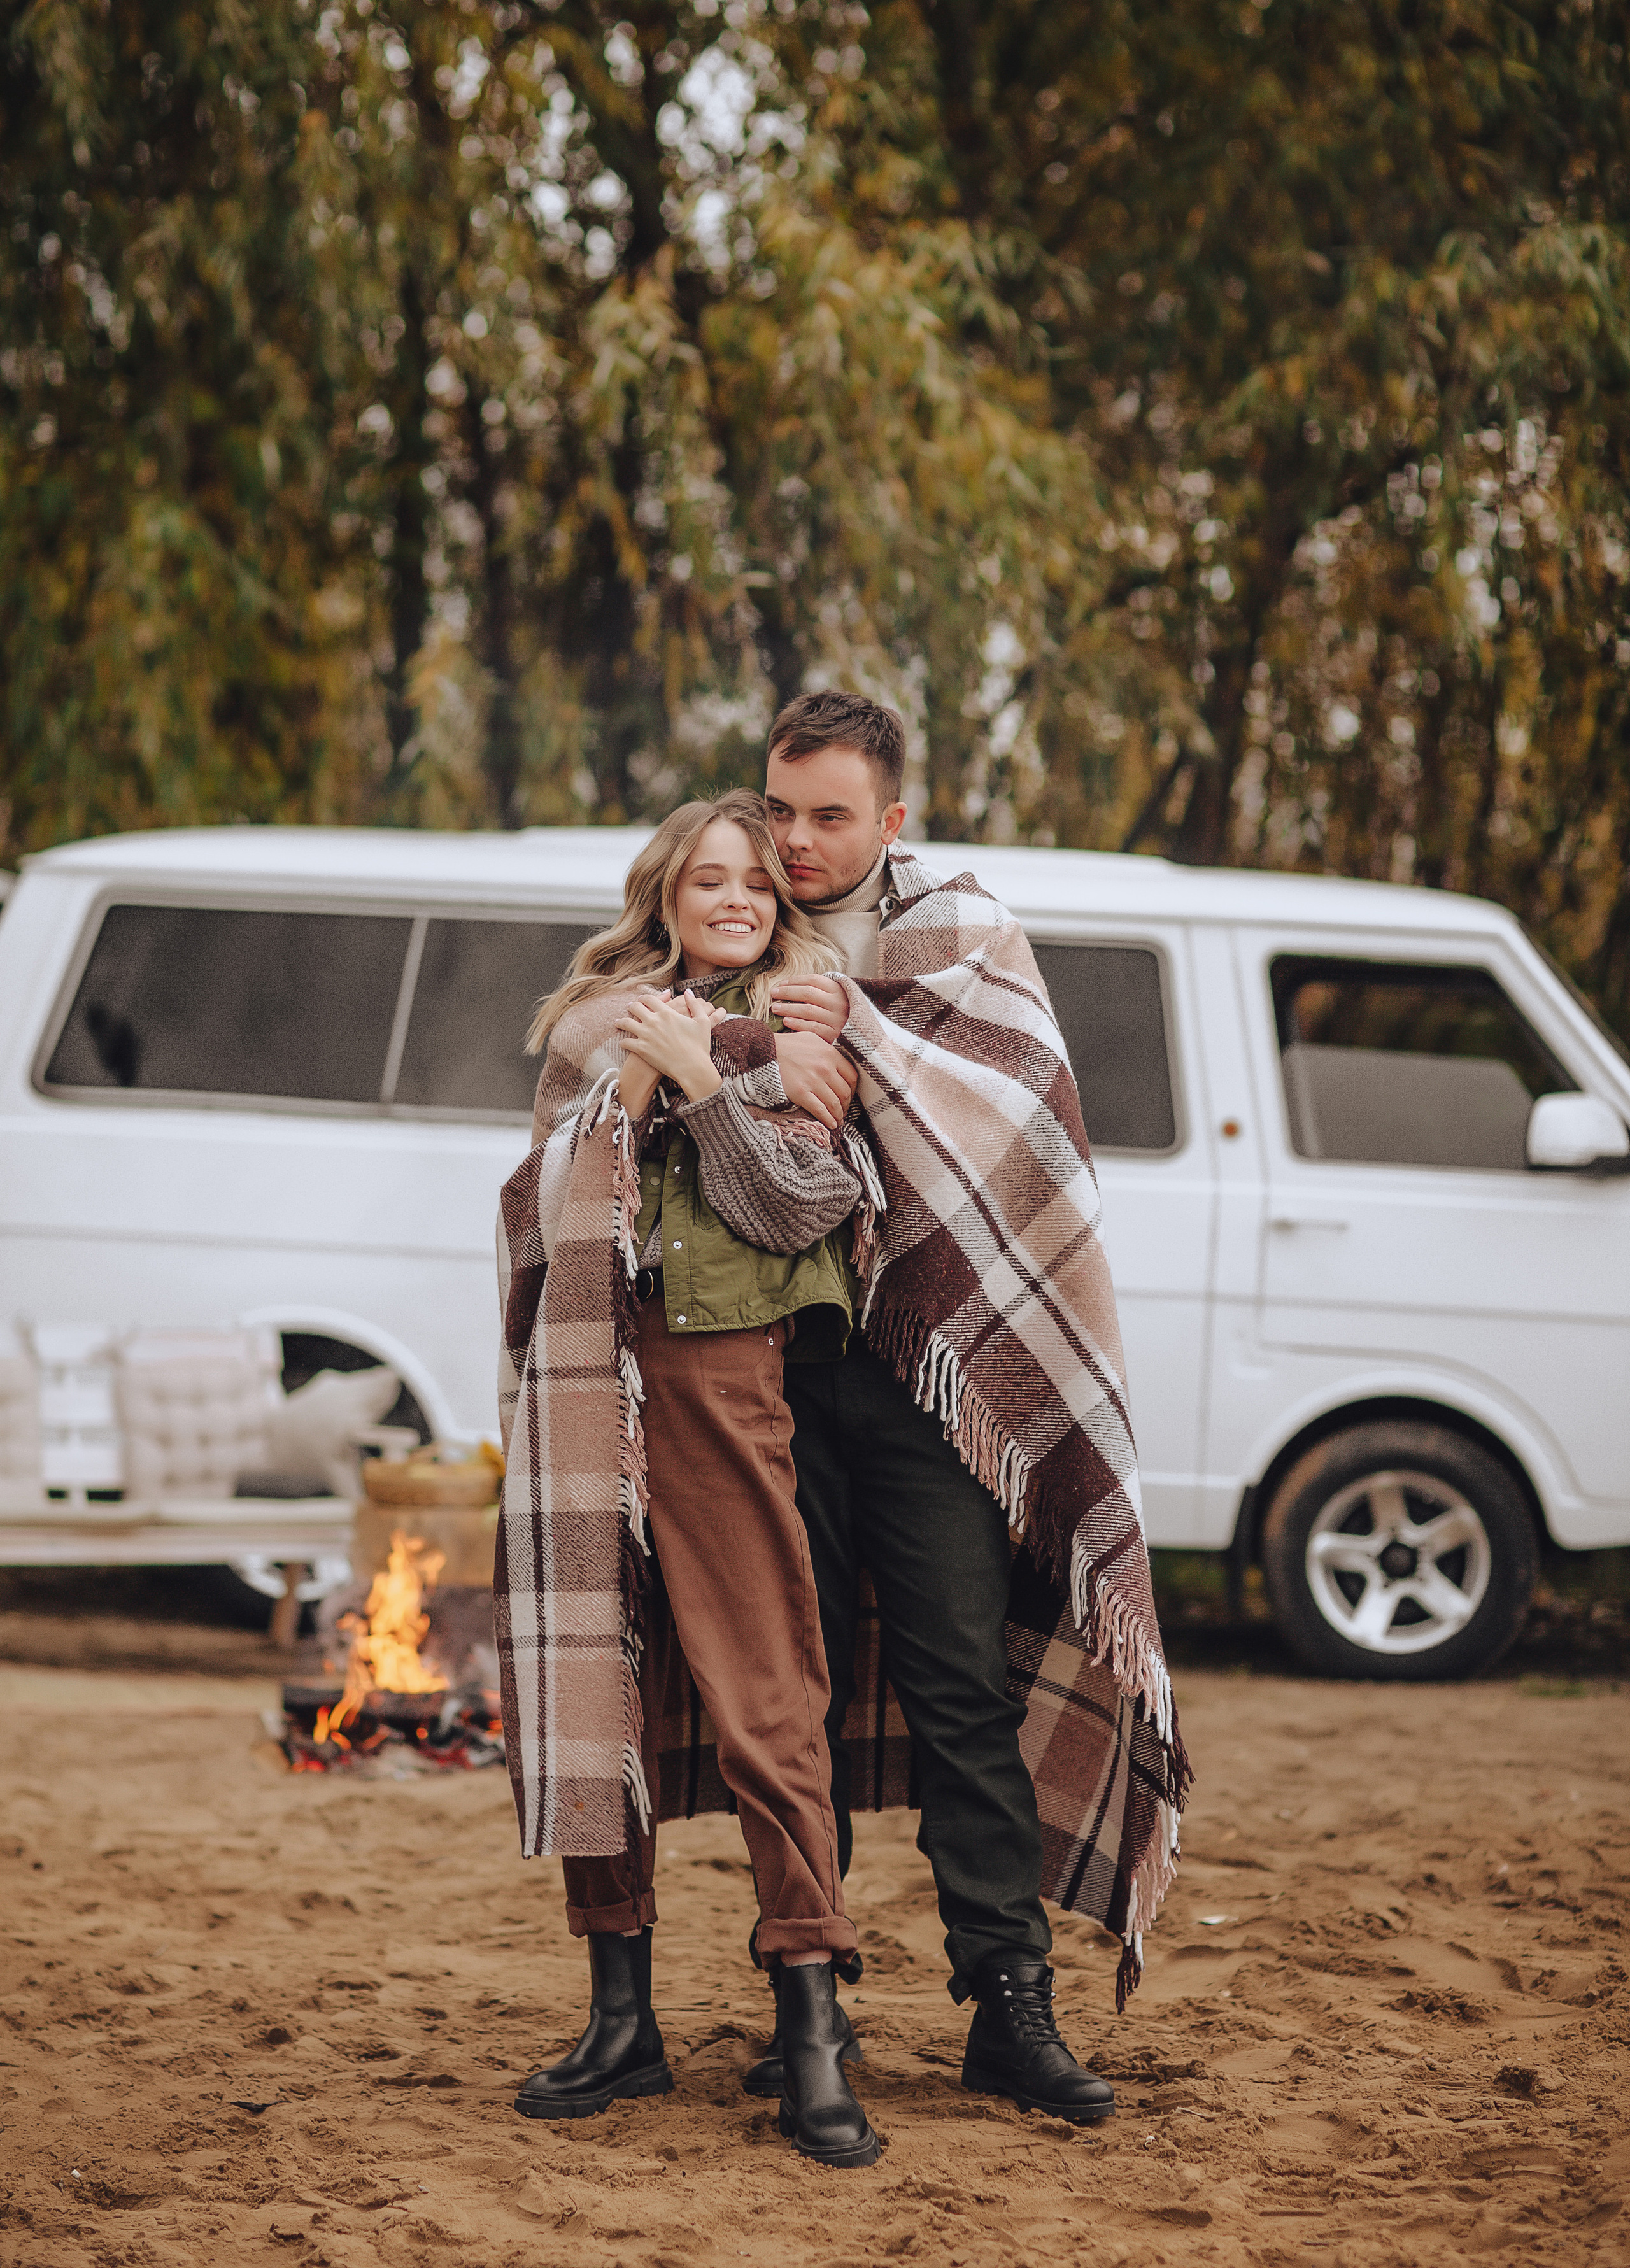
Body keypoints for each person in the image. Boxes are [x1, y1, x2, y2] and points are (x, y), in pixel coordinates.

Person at [736, 691, 1192, 2122]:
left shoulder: (966, 936)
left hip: (934, 1378)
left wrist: (859, 1030)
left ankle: (1008, 2006)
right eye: (779, 809)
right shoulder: (731, 919)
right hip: (767, 1374)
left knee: (959, 1689)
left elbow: (1016, 1117)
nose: (796, 841)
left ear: (892, 818)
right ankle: (806, 2006)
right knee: (787, 1700)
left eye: (829, 815)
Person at [493, 790, 882, 2169]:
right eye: (707, 878)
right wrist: (675, 1067)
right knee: (594, 1681)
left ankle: (812, 2023)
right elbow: (542, 1195)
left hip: (723, 1372)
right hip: (586, 1367)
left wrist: (713, 1080)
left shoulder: (814, 1028)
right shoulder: (594, 1024)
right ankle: (621, 2017)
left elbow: (800, 1206)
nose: (734, 900)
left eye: (757, 884)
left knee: (767, 1689)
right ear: (664, 894)